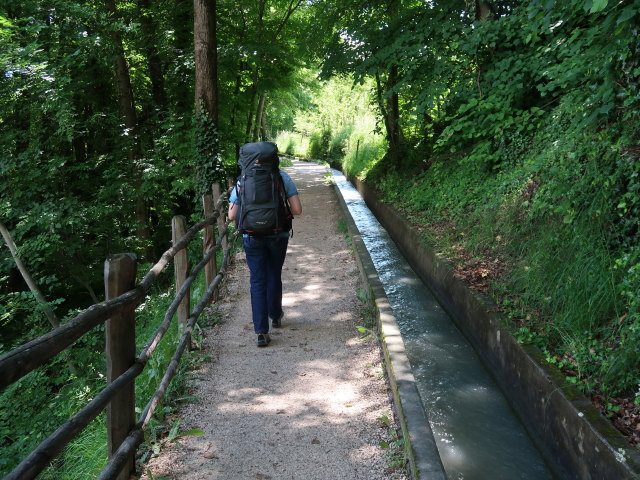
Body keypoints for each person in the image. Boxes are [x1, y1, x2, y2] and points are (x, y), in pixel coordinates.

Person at [228, 142, 302, 347]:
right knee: (274, 273)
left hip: (251, 237)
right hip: (278, 235)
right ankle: (276, 315)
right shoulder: (281, 177)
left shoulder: (242, 181)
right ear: (274, 158)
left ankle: (261, 332)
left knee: (257, 280)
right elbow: (297, 210)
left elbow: (232, 214)